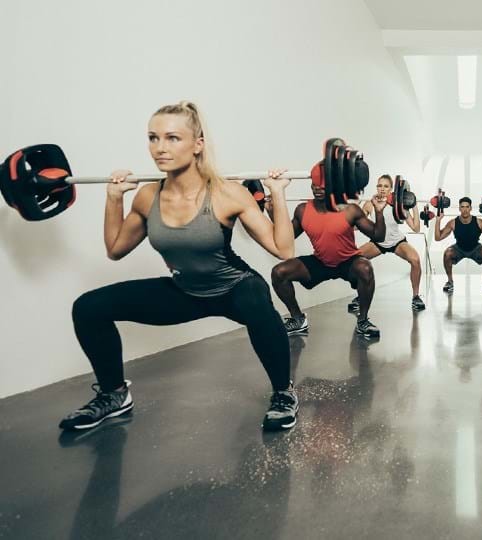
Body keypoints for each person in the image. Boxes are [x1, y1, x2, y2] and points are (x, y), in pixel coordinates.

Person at [62, 101, 299, 432]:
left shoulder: (227, 194)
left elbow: (284, 250)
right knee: (88, 308)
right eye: (153, 138)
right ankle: (114, 394)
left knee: (258, 303)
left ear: (197, 144)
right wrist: (114, 198)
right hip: (185, 291)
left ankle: (283, 393)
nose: (159, 148)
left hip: (234, 287)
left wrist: (278, 195)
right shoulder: (147, 196)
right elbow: (116, 250)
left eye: (172, 138)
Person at [270, 163, 386, 339]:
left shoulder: (349, 209)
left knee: (365, 268)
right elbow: (286, 238)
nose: (317, 188)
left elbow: (378, 235)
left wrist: (379, 212)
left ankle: (362, 321)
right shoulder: (303, 210)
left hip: (348, 262)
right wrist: (272, 212)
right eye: (314, 184)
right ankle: (298, 319)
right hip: (321, 262)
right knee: (279, 272)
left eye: (322, 185)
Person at [346, 175, 426, 312]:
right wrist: (355, 206)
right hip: (378, 242)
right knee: (354, 261)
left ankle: (416, 297)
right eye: (379, 186)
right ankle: (360, 297)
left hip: (397, 242)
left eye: (386, 186)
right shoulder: (369, 204)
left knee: (415, 260)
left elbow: (416, 228)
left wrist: (414, 206)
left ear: (391, 189)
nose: (382, 189)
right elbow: (354, 226)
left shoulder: (399, 206)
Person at [434, 196, 482, 293]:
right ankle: (450, 281)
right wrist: (438, 220)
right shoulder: (453, 223)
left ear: (471, 208)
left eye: (467, 207)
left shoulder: (478, 222)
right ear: (459, 208)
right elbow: (438, 238)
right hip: (459, 248)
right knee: (447, 253)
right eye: (462, 207)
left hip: (475, 248)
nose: (465, 210)